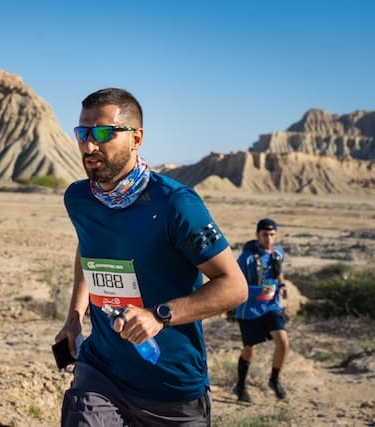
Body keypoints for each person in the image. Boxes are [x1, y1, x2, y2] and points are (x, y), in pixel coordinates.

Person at [55, 87, 248, 426]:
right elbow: (88, 250)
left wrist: (158, 316)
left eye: (103, 133)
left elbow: (234, 286)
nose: (89, 145)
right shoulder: (79, 198)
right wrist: (75, 316)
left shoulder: (175, 204)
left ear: (136, 138)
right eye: (82, 133)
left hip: (171, 385)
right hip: (101, 371)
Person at [233, 218, 289, 402]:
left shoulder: (278, 253)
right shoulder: (246, 258)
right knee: (250, 349)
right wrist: (257, 290)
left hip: (271, 306)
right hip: (249, 310)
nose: (269, 239)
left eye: (272, 235)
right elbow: (235, 284)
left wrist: (282, 285)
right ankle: (240, 386)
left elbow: (278, 272)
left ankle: (274, 379)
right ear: (257, 235)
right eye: (265, 235)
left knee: (283, 341)